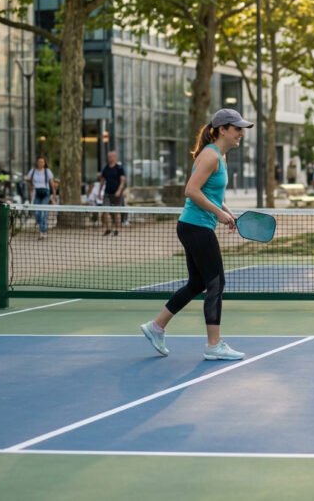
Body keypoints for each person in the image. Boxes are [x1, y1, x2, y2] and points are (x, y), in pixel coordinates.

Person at [139, 109, 254, 361]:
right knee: (216, 283)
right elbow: (191, 190)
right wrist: (218, 213)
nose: (241, 134)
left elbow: (211, 193)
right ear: (222, 129)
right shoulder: (210, 156)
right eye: (237, 129)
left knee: (197, 283)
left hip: (195, 226)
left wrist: (226, 212)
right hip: (196, 228)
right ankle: (214, 345)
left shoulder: (219, 156)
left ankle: (156, 327)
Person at [25, 156, 57, 240]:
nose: (41, 163)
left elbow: (52, 183)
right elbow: (28, 180)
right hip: (36, 193)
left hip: (45, 193)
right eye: (39, 162)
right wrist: (30, 187)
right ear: (37, 162)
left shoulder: (48, 171)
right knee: (37, 213)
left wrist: (54, 194)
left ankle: (43, 232)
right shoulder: (32, 171)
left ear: (45, 163)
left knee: (43, 213)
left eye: (42, 162)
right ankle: (41, 226)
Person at [98, 150, 126, 236]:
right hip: (107, 193)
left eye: (111, 156)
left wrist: (119, 191)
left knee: (117, 212)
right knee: (106, 210)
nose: (109, 158)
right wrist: (99, 191)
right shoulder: (105, 168)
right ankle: (108, 229)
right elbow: (102, 181)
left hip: (117, 194)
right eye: (108, 156)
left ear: (115, 157)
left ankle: (117, 230)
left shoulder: (119, 168)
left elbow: (122, 181)